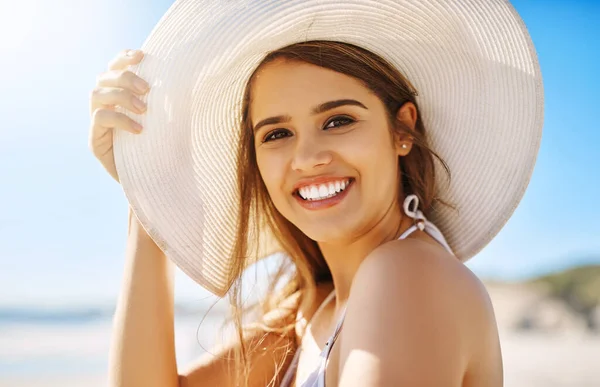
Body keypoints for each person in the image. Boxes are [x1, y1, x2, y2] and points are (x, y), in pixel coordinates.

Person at [89, 1, 543, 386]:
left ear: (402, 128)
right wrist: (145, 188)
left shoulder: (407, 273)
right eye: (276, 133)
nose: (306, 158)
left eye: (338, 121)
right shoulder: (311, 307)